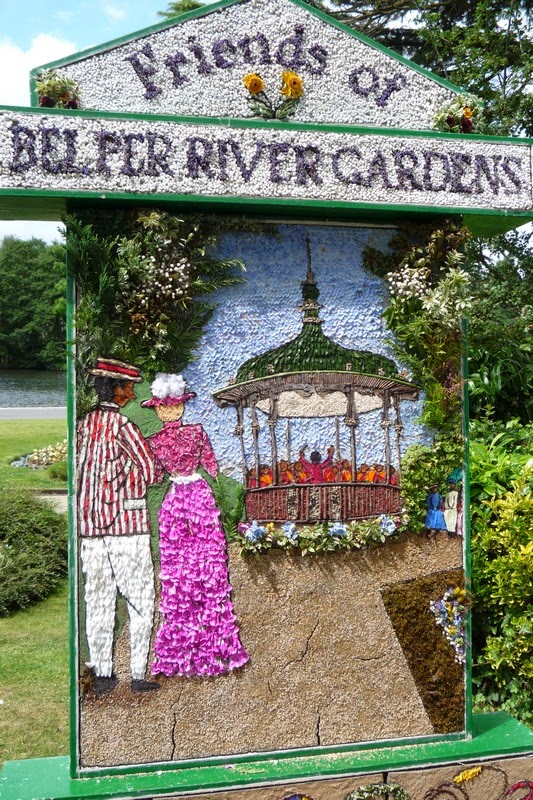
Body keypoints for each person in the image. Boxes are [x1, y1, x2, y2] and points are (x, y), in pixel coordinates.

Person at [143, 373, 249, 678]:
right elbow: (212, 466)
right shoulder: (196, 432)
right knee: (200, 565)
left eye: (171, 406)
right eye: (167, 406)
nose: (169, 411)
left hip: (179, 499)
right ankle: (211, 646)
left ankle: (187, 649)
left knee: (187, 568)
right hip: (195, 497)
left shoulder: (156, 441)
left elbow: (156, 477)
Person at [77, 357, 162, 697]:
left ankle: (103, 673)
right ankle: (137, 674)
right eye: (128, 387)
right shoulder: (124, 427)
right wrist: (129, 477)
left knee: (98, 601)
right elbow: (151, 471)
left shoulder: (83, 426)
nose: (132, 393)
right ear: (115, 389)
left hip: (90, 527)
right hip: (127, 526)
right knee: (140, 600)